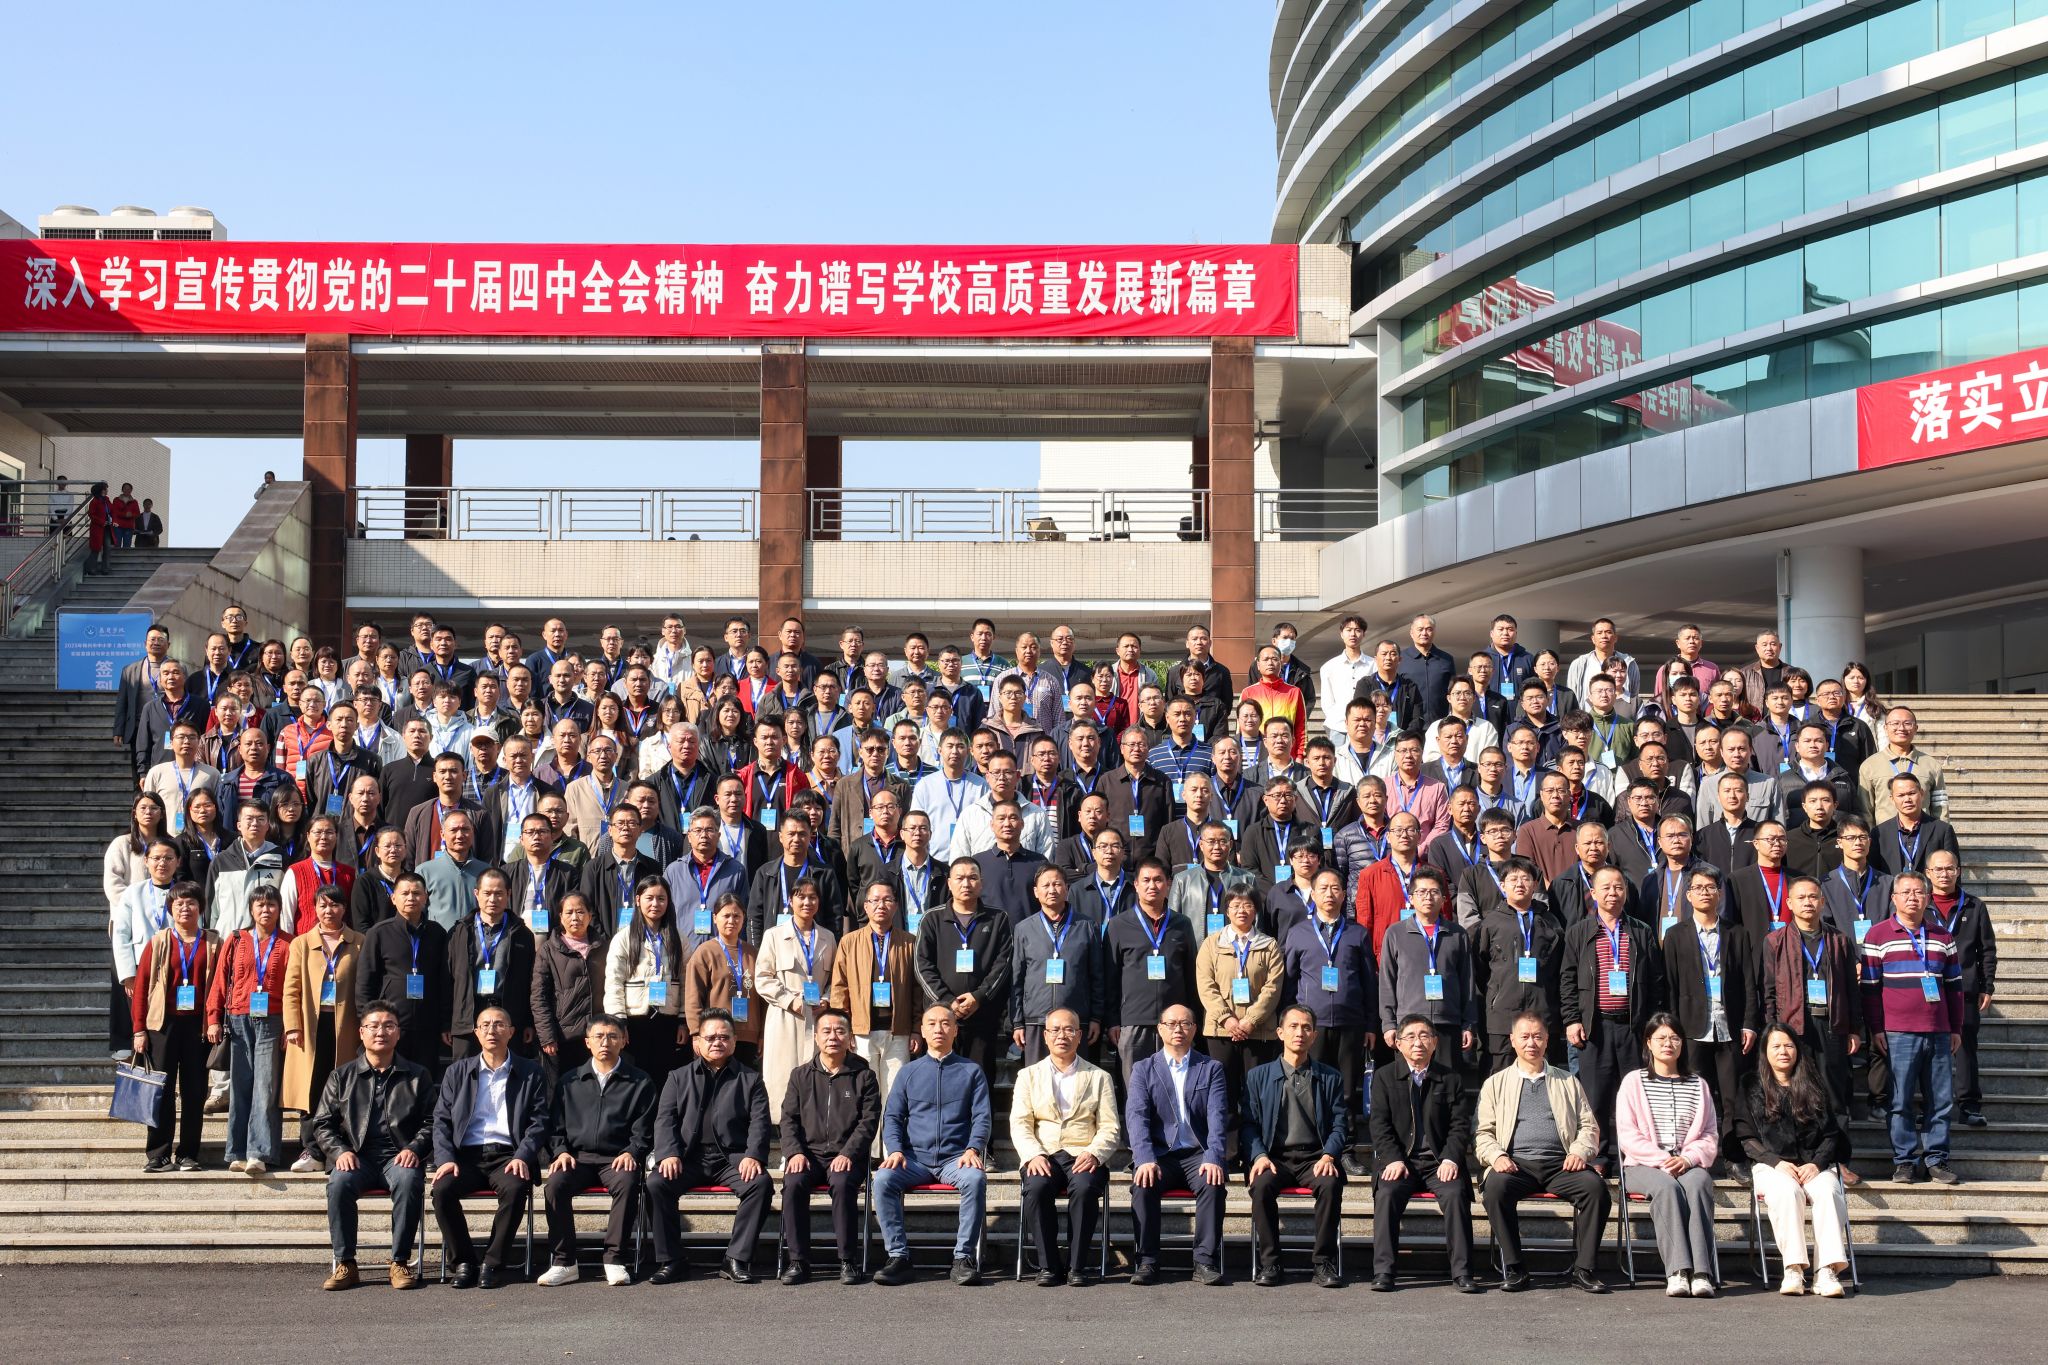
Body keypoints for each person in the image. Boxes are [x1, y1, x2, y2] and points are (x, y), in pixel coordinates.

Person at [1475, 1011, 1611, 1293]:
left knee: (1595, 1189)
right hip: (1516, 1165)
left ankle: (1584, 1269)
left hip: (1561, 1164)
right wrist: (1497, 1156)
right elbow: (1482, 1132)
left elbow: (1589, 1126)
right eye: (1524, 1037)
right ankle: (1515, 1268)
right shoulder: (1495, 1083)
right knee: (1496, 1188)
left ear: (1547, 1040)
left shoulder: (1567, 1081)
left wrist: (1579, 1152)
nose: (1531, 1043)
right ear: (1512, 1040)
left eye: (1537, 1036)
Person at [644, 1007, 773, 1283]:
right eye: (710, 1037)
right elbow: (665, 1119)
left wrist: (753, 1155)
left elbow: (760, 1122)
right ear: (697, 1042)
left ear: (734, 1042)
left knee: (760, 1184)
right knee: (656, 1184)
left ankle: (736, 1259)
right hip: (688, 1158)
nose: (717, 1042)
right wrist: (668, 1153)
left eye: (724, 1037)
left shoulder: (750, 1079)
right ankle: (672, 1260)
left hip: (732, 1158)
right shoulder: (678, 1077)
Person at [314, 1002, 433, 1290]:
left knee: (409, 1180)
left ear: (398, 1033)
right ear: (361, 1032)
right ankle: (346, 1263)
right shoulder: (341, 1076)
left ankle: (400, 1261)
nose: (381, 1032)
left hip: (398, 1157)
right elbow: (322, 1124)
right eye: (374, 1026)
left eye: (389, 1025)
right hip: (357, 1158)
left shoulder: (417, 1076)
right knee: (339, 1183)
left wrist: (414, 1148)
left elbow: (433, 1122)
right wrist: (340, 1151)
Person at [872, 1005, 993, 1287]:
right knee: (883, 1179)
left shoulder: (971, 1071)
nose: (939, 1029)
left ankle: (963, 1258)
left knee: (975, 1179)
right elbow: (892, 1116)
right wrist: (895, 1149)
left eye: (945, 1023)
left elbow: (982, 1117)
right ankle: (898, 1257)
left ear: (955, 1030)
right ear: (923, 1031)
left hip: (956, 1158)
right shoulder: (908, 1072)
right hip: (914, 1159)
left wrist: (973, 1148)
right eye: (932, 1023)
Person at [429, 1004, 549, 1288]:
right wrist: (445, 1158)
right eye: (485, 1025)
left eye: (499, 1024)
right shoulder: (457, 1072)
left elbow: (539, 1121)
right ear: (476, 1033)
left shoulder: (530, 1071)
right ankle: (464, 1262)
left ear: (511, 1032)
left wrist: (523, 1155)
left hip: (508, 1155)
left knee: (516, 1188)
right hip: (466, 1156)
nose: (491, 1030)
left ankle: (492, 1263)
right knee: (442, 1190)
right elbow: (441, 1121)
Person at [536, 1015, 657, 1287]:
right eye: (599, 1036)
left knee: (627, 1182)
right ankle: (564, 1262)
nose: (606, 1042)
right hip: (576, 1158)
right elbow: (554, 1125)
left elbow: (645, 1127)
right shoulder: (570, 1081)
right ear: (587, 1042)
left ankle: (615, 1259)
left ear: (624, 1041)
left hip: (617, 1158)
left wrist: (633, 1151)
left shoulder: (640, 1082)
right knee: (555, 1185)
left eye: (613, 1036)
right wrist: (560, 1151)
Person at [1735, 1024, 1854, 1297]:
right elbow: (1745, 1136)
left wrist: (1817, 1163)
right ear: (1765, 1051)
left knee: (1828, 1192)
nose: (1783, 1051)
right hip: (1772, 1165)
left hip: (1813, 1164)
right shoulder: (1751, 1085)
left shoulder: (1813, 1083)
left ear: (1797, 1050)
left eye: (1788, 1045)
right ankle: (1794, 1268)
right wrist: (1775, 1162)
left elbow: (1831, 1134)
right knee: (1786, 1191)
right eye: (1776, 1046)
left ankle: (1826, 1270)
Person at [1862, 871, 1964, 1184]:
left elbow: (1955, 987)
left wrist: (1956, 1028)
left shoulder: (1943, 936)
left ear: (1928, 898)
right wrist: (1876, 1029)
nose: (1912, 898)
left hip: (1938, 1030)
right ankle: (1905, 1161)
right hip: (1897, 1032)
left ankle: (1936, 1159)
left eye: (1919, 892)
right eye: (1905, 892)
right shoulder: (1877, 935)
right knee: (1900, 1100)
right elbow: (1870, 989)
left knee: (1940, 1100)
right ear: (1893, 898)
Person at [1009, 1008, 1121, 1286]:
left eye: (1069, 1029)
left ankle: (1077, 1266)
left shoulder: (1099, 1077)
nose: (1062, 1035)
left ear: (1080, 1036)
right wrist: (1032, 1154)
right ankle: (1048, 1266)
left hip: (1084, 1154)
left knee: (1084, 1188)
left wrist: (1094, 1153)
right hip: (1043, 1153)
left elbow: (1110, 1127)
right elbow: (1020, 1123)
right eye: (1056, 1030)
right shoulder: (1028, 1075)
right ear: (1045, 1036)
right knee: (1036, 1188)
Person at [1367, 1014, 1479, 1293]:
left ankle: (1462, 1272)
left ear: (1435, 1043)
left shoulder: (1450, 1078)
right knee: (1387, 1193)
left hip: (1438, 1162)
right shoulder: (1383, 1077)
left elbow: (1459, 1125)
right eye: (1410, 1037)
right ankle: (1383, 1271)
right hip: (1400, 1161)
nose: (1418, 1043)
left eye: (1424, 1036)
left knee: (1455, 1193)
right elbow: (1379, 1124)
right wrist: (1393, 1159)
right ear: (1398, 1044)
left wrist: (1451, 1157)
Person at [1240, 1005, 1348, 1288]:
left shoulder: (1330, 1077)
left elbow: (1340, 1125)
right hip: (1274, 1157)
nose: (1300, 1033)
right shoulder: (1258, 1076)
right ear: (1280, 1033)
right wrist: (1259, 1155)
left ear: (1314, 1035)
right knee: (1261, 1185)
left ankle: (1323, 1262)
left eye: (1306, 1027)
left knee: (1330, 1184)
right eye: (1293, 1026)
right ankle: (1270, 1262)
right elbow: (1248, 1124)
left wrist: (1329, 1154)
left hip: (1315, 1157)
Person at [1123, 1003, 1230, 1286]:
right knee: (1143, 1184)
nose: (1178, 1029)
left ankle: (1204, 1261)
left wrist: (1214, 1156)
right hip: (1160, 1154)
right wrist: (1144, 1158)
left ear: (1195, 1029)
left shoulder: (1211, 1068)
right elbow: (1136, 1116)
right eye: (1171, 1024)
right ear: (1160, 1029)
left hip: (1198, 1154)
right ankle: (1147, 1261)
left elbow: (1218, 1117)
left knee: (1213, 1182)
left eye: (1185, 1023)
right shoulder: (1143, 1069)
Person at [1616, 1013, 1721, 1297]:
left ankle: (1701, 1273)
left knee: (1699, 1183)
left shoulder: (1698, 1084)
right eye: (1661, 1038)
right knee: (1667, 1187)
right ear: (1648, 1043)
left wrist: (1688, 1159)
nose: (1668, 1044)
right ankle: (1678, 1271)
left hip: (1687, 1163)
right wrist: (1663, 1160)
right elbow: (1627, 1134)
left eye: (1674, 1038)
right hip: (1643, 1165)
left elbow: (1709, 1134)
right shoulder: (1634, 1082)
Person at [779, 1008, 881, 1285]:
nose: (832, 1036)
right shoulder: (800, 1075)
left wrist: (848, 1153)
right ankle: (798, 1261)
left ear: (850, 1038)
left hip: (848, 1156)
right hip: (808, 1155)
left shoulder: (864, 1075)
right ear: (816, 1037)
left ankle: (848, 1260)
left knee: (842, 1182)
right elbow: (788, 1119)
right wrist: (794, 1152)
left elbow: (869, 1122)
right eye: (826, 1031)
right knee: (793, 1183)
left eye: (839, 1031)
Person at [130, 881, 220, 1171]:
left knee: (194, 1092)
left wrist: (215, 1020)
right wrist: (139, 1029)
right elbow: (141, 987)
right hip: (163, 1025)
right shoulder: (159, 941)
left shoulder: (213, 942)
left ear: (200, 908)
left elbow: (220, 987)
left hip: (198, 1027)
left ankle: (188, 1153)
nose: (185, 908)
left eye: (191, 902)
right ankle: (158, 1153)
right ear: (170, 908)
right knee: (161, 1090)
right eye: (179, 903)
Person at [206, 883, 291, 1174]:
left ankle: (260, 1153)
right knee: (241, 1086)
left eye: (271, 904)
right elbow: (220, 980)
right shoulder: (236, 939)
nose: (266, 910)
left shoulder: (289, 943)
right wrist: (213, 1018)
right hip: (238, 1018)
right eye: (260, 905)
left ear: (279, 909)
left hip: (273, 1020)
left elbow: (294, 989)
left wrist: (290, 1026)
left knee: (265, 1087)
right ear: (251, 909)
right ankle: (237, 1152)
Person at [282, 887, 363, 1173]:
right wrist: (292, 1026)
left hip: (346, 1028)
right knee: (311, 1090)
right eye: (323, 905)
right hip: (310, 1028)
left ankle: (338, 1151)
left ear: (344, 908)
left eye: (335, 905)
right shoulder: (301, 943)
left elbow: (364, 986)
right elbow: (291, 989)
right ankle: (312, 1150)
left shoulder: (359, 942)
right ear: (314, 909)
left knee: (342, 1089)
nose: (329, 911)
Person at [830, 880, 919, 1132]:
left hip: (898, 1031)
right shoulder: (849, 942)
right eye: (875, 900)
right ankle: (866, 1150)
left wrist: (916, 1028)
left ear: (896, 906)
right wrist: (844, 1029)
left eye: (887, 900)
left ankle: (893, 1149)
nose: (881, 905)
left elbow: (917, 990)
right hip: (861, 1032)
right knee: (864, 1095)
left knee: (895, 1096)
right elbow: (839, 988)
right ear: (865, 906)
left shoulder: (909, 942)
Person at [755, 874, 839, 1116]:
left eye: (812, 897)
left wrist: (827, 999)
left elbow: (836, 980)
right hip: (785, 1017)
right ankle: (784, 1135)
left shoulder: (828, 938)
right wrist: (789, 1001)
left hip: (818, 1018)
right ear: (791, 901)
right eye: (801, 897)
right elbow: (762, 978)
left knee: (817, 1081)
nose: (807, 902)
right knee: (783, 1080)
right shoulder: (774, 935)